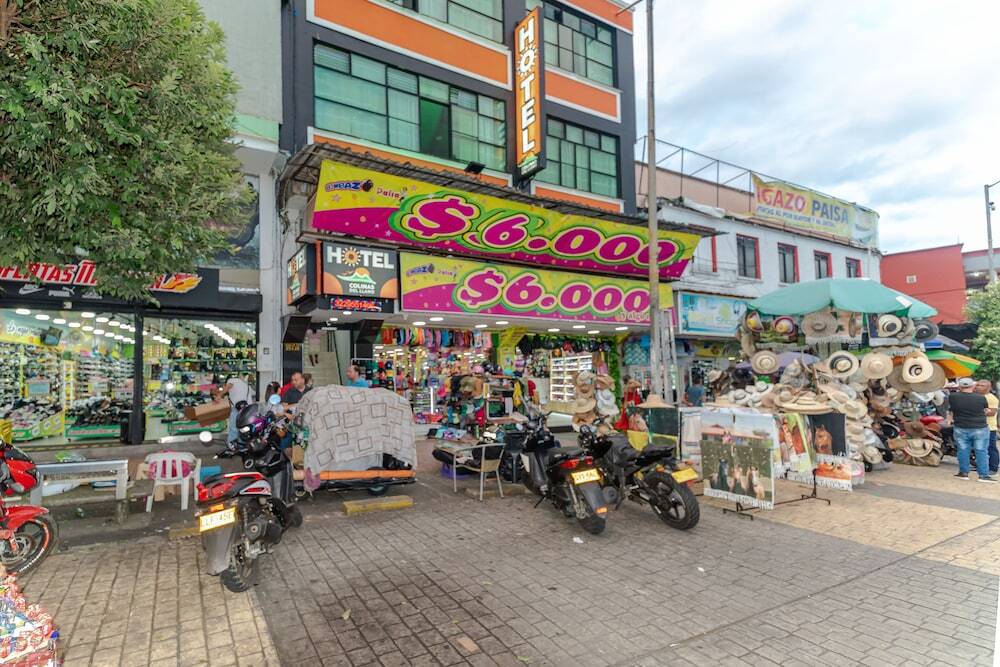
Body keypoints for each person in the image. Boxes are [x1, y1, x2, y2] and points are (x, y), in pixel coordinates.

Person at [948, 377, 995, 482]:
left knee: (963, 450)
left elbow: (952, 409)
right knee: (981, 451)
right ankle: (983, 475)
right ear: (972, 386)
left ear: (960, 386)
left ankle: (963, 473)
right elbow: (986, 411)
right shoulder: (981, 398)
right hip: (979, 427)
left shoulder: (952, 396)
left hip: (960, 427)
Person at [220, 374, 255, 445]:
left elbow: (228, 386)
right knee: (244, 429)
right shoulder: (244, 384)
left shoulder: (231, 380)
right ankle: (243, 445)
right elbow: (253, 393)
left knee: (233, 429)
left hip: (239, 410)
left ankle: (231, 445)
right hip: (249, 410)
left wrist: (219, 395)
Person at [976, 379, 1000, 476]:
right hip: (979, 426)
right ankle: (982, 465)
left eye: (981, 385)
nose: (978, 387)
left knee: (991, 448)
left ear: (988, 387)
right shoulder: (977, 397)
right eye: (978, 385)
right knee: (980, 448)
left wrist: (976, 411)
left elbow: (992, 412)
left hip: (989, 427)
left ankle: (993, 467)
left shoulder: (991, 398)